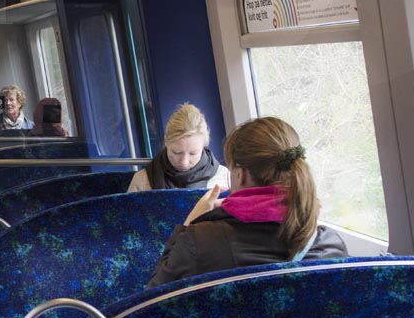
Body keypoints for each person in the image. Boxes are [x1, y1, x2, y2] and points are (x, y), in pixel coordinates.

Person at [148, 116, 348, 287]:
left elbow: (151, 300)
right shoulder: (329, 245)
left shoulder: (199, 243)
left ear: (240, 174)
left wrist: (189, 224)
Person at [128, 102, 230, 192]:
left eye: (193, 153)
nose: (184, 162)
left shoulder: (225, 178)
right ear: (166, 141)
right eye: (176, 152)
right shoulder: (142, 180)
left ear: (204, 146)